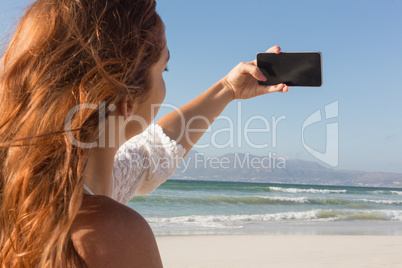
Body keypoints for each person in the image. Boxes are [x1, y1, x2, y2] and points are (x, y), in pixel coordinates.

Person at [0, 0, 289, 267]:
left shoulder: (27, 189)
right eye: (164, 69)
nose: (165, 83)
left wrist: (227, 89)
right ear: (127, 101)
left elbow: (149, 153)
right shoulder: (112, 232)